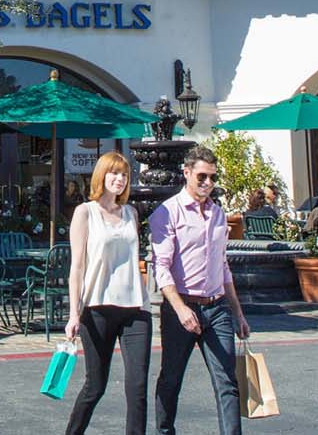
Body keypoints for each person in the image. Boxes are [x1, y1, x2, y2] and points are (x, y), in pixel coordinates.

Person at [149, 145, 250, 435]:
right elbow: (162, 267)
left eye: (212, 178)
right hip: (182, 306)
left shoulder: (218, 214)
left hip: (217, 307)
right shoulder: (167, 212)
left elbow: (223, 265)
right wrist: (180, 309)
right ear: (187, 173)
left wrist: (238, 313)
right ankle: (165, 431)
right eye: (202, 177)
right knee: (171, 378)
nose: (207, 183)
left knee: (227, 382)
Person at [63, 151, 152, 435]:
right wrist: (73, 313)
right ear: (102, 175)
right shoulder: (85, 212)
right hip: (98, 307)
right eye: (114, 173)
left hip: (135, 307)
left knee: (137, 386)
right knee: (95, 386)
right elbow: (76, 267)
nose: (120, 179)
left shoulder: (130, 213)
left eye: (125, 174)